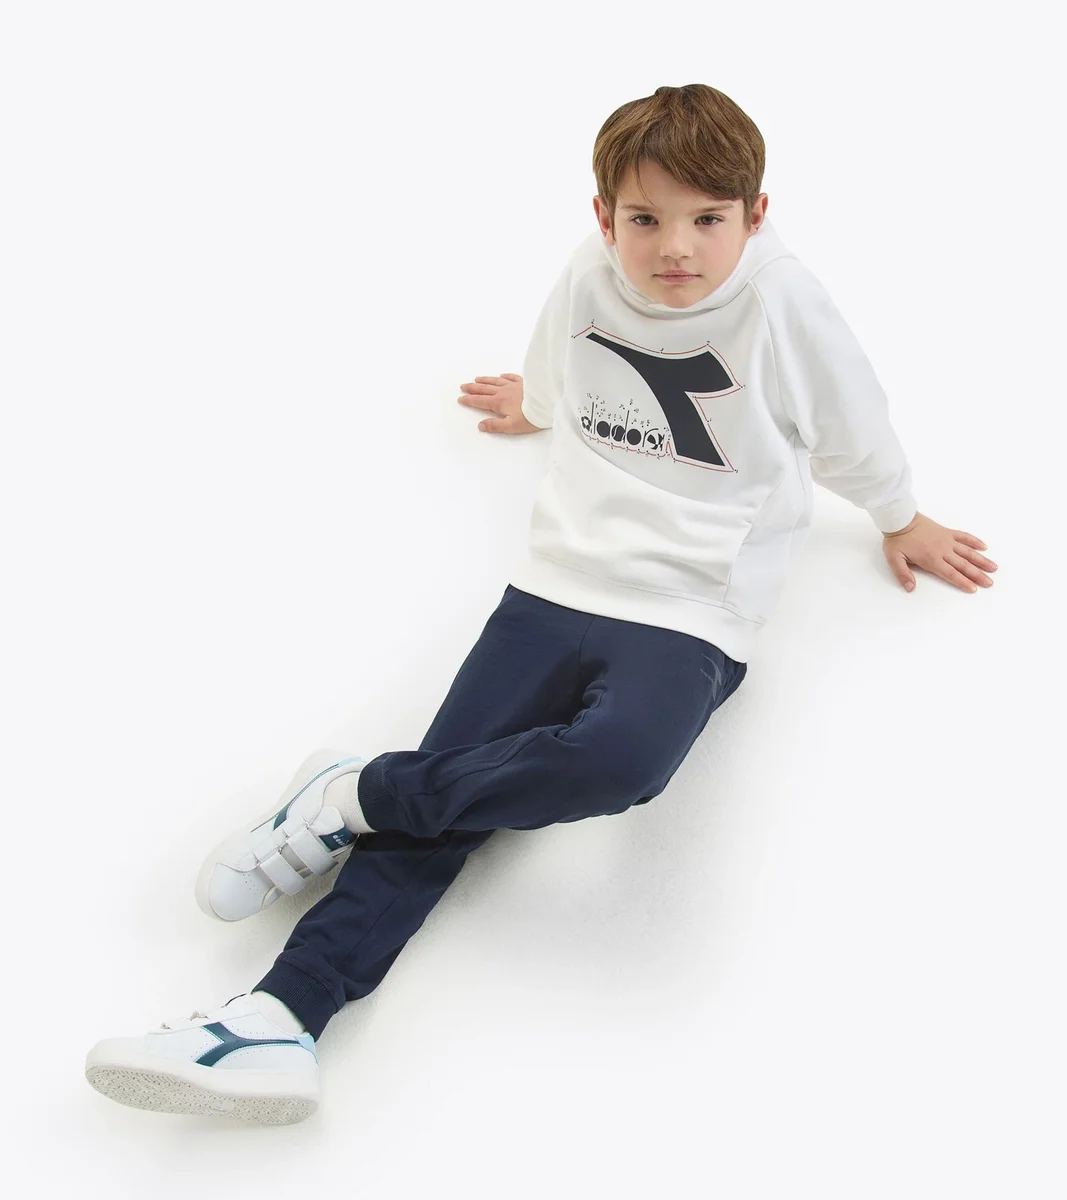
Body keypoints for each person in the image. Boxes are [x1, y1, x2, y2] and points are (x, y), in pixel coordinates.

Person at [83, 82, 997, 1125]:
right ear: (603, 216)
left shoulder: (783, 301)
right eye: (644, 219)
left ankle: (353, 794)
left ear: (755, 214)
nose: (674, 248)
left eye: (707, 220)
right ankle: (278, 1020)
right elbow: (561, 347)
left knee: (621, 764)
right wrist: (537, 403)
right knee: (449, 813)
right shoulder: (589, 271)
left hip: (689, 604)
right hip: (556, 580)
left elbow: (851, 421)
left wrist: (898, 516)